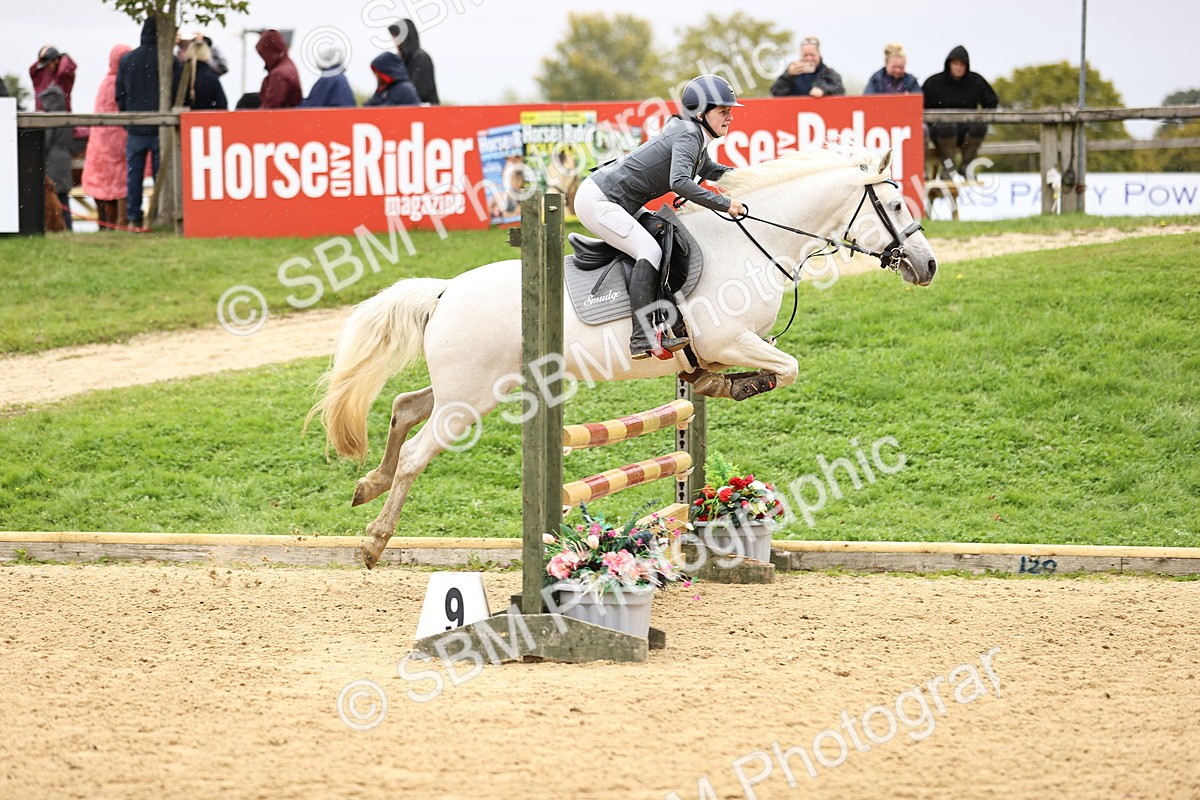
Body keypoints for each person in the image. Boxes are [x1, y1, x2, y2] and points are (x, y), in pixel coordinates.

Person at [575, 74, 744, 359]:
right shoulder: (689, 135)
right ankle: (641, 337)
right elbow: (679, 182)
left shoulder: (694, 134)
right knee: (649, 250)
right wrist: (724, 203)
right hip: (599, 200)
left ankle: (669, 321)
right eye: (723, 111)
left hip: (619, 199)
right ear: (701, 114)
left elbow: (710, 169)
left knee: (663, 232)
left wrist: (752, 177)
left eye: (730, 112)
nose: (730, 118)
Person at [116, 16, 180, 229]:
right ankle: (159, 215)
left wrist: (128, 117)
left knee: (134, 176)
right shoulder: (169, 59)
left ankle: (134, 217)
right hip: (161, 127)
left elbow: (120, 94)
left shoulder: (126, 60)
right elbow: (178, 94)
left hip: (135, 126)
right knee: (160, 175)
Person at [922, 45, 998, 176]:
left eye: (962, 64)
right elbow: (922, 107)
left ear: (966, 65)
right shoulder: (933, 83)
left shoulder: (976, 81)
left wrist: (982, 117)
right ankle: (948, 169)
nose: (958, 67)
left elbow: (991, 101)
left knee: (980, 126)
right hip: (940, 131)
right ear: (949, 64)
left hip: (966, 130)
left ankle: (966, 166)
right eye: (955, 63)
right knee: (946, 126)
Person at [82, 44, 132, 231]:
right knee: (121, 182)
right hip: (119, 138)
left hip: (100, 141)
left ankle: (104, 223)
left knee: (101, 182)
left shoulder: (105, 83)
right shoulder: (124, 82)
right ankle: (121, 222)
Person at [39, 85, 74, 230]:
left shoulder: (49, 118)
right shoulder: (66, 117)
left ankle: (57, 228)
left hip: (51, 163)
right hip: (65, 161)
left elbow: (45, 142)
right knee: (64, 200)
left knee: (53, 199)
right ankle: (69, 228)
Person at [770, 37, 844, 98]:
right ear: (800, 56)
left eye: (812, 55)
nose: (809, 58)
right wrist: (788, 76)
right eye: (805, 55)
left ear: (819, 54)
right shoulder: (792, 73)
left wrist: (823, 90)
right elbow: (775, 92)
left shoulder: (828, 73)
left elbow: (839, 89)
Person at [389, 19, 439, 105]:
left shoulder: (421, 57)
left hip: (424, 111)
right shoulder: (401, 60)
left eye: (396, 37)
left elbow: (423, 91)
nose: (394, 41)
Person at [175, 38, 227, 110]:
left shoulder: (177, 76)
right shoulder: (212, 79)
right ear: (207, 55)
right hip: (207, 120)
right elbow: (222, 107)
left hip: (181, 120)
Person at [256, 29, 301, 109]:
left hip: (283, 119)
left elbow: (271, 107)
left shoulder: (278, 74)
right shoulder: (288, 64)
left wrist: (252, 119)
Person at [30, 45, 77, 111]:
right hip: (41, 117)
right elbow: (33, 70)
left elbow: (64, 70)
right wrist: (42, 57)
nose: (46, 68)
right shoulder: (42, 76)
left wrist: (63, 57)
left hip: (62, 118)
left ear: (56, 61)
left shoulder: (64, 76)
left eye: (48, 64)